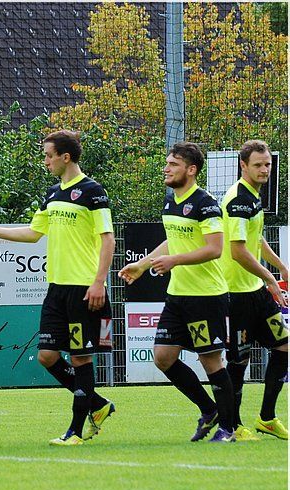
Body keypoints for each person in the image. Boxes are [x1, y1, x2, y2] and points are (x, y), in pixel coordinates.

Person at [0, 130, 116, 446]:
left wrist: (99, 281)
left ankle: (75, 432)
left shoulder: (93, 192)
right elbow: (33, 233)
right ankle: (98, 404)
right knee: (46, 355)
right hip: (56, 289)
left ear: (65, 157)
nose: (45, 161)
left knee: (80, 359)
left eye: (48, 155)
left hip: (83, 288)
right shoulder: (52, 194)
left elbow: (108, 239)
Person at [120, 142, 237, 442]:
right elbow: (172, 241)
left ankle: (228, 428)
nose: (166, 168)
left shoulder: (206, 204)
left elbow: (215, 249)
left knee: (211, 361)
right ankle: (209, 410)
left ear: (191, 170)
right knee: (163, 357)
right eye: (167, 163)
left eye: (173, 164)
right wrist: (143, 265)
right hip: (178, 295)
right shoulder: (171, 201)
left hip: (206, 296)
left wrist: (174, 261)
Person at [218, 139, 288, 440]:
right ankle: (232, 425)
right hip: (236, 293)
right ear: (243, 165)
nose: (264, 170)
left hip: (255, 289)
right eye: (258, 165)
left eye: (267, 164)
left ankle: (267, 418)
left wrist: (280, 266)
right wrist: (271, 278)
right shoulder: (238, 200)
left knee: (283, 345)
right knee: (239, 361)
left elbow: (255, 239)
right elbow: (237, 251)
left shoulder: (254, 197)